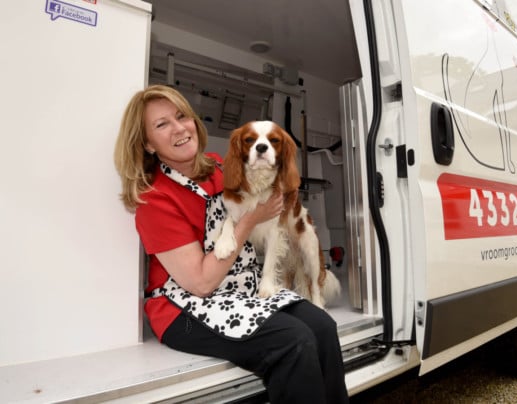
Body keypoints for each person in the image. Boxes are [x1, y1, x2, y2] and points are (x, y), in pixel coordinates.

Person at [114, 84, 349, 403]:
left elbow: (269, 187)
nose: (179, 128)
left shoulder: (217, 166)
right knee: (293, 340)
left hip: (239, 288)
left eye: (181, 116)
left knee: (321, 326)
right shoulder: (154, 200)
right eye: (162, 124)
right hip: (183, 309)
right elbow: (201, 283)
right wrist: (250, 219)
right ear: (147, 144)